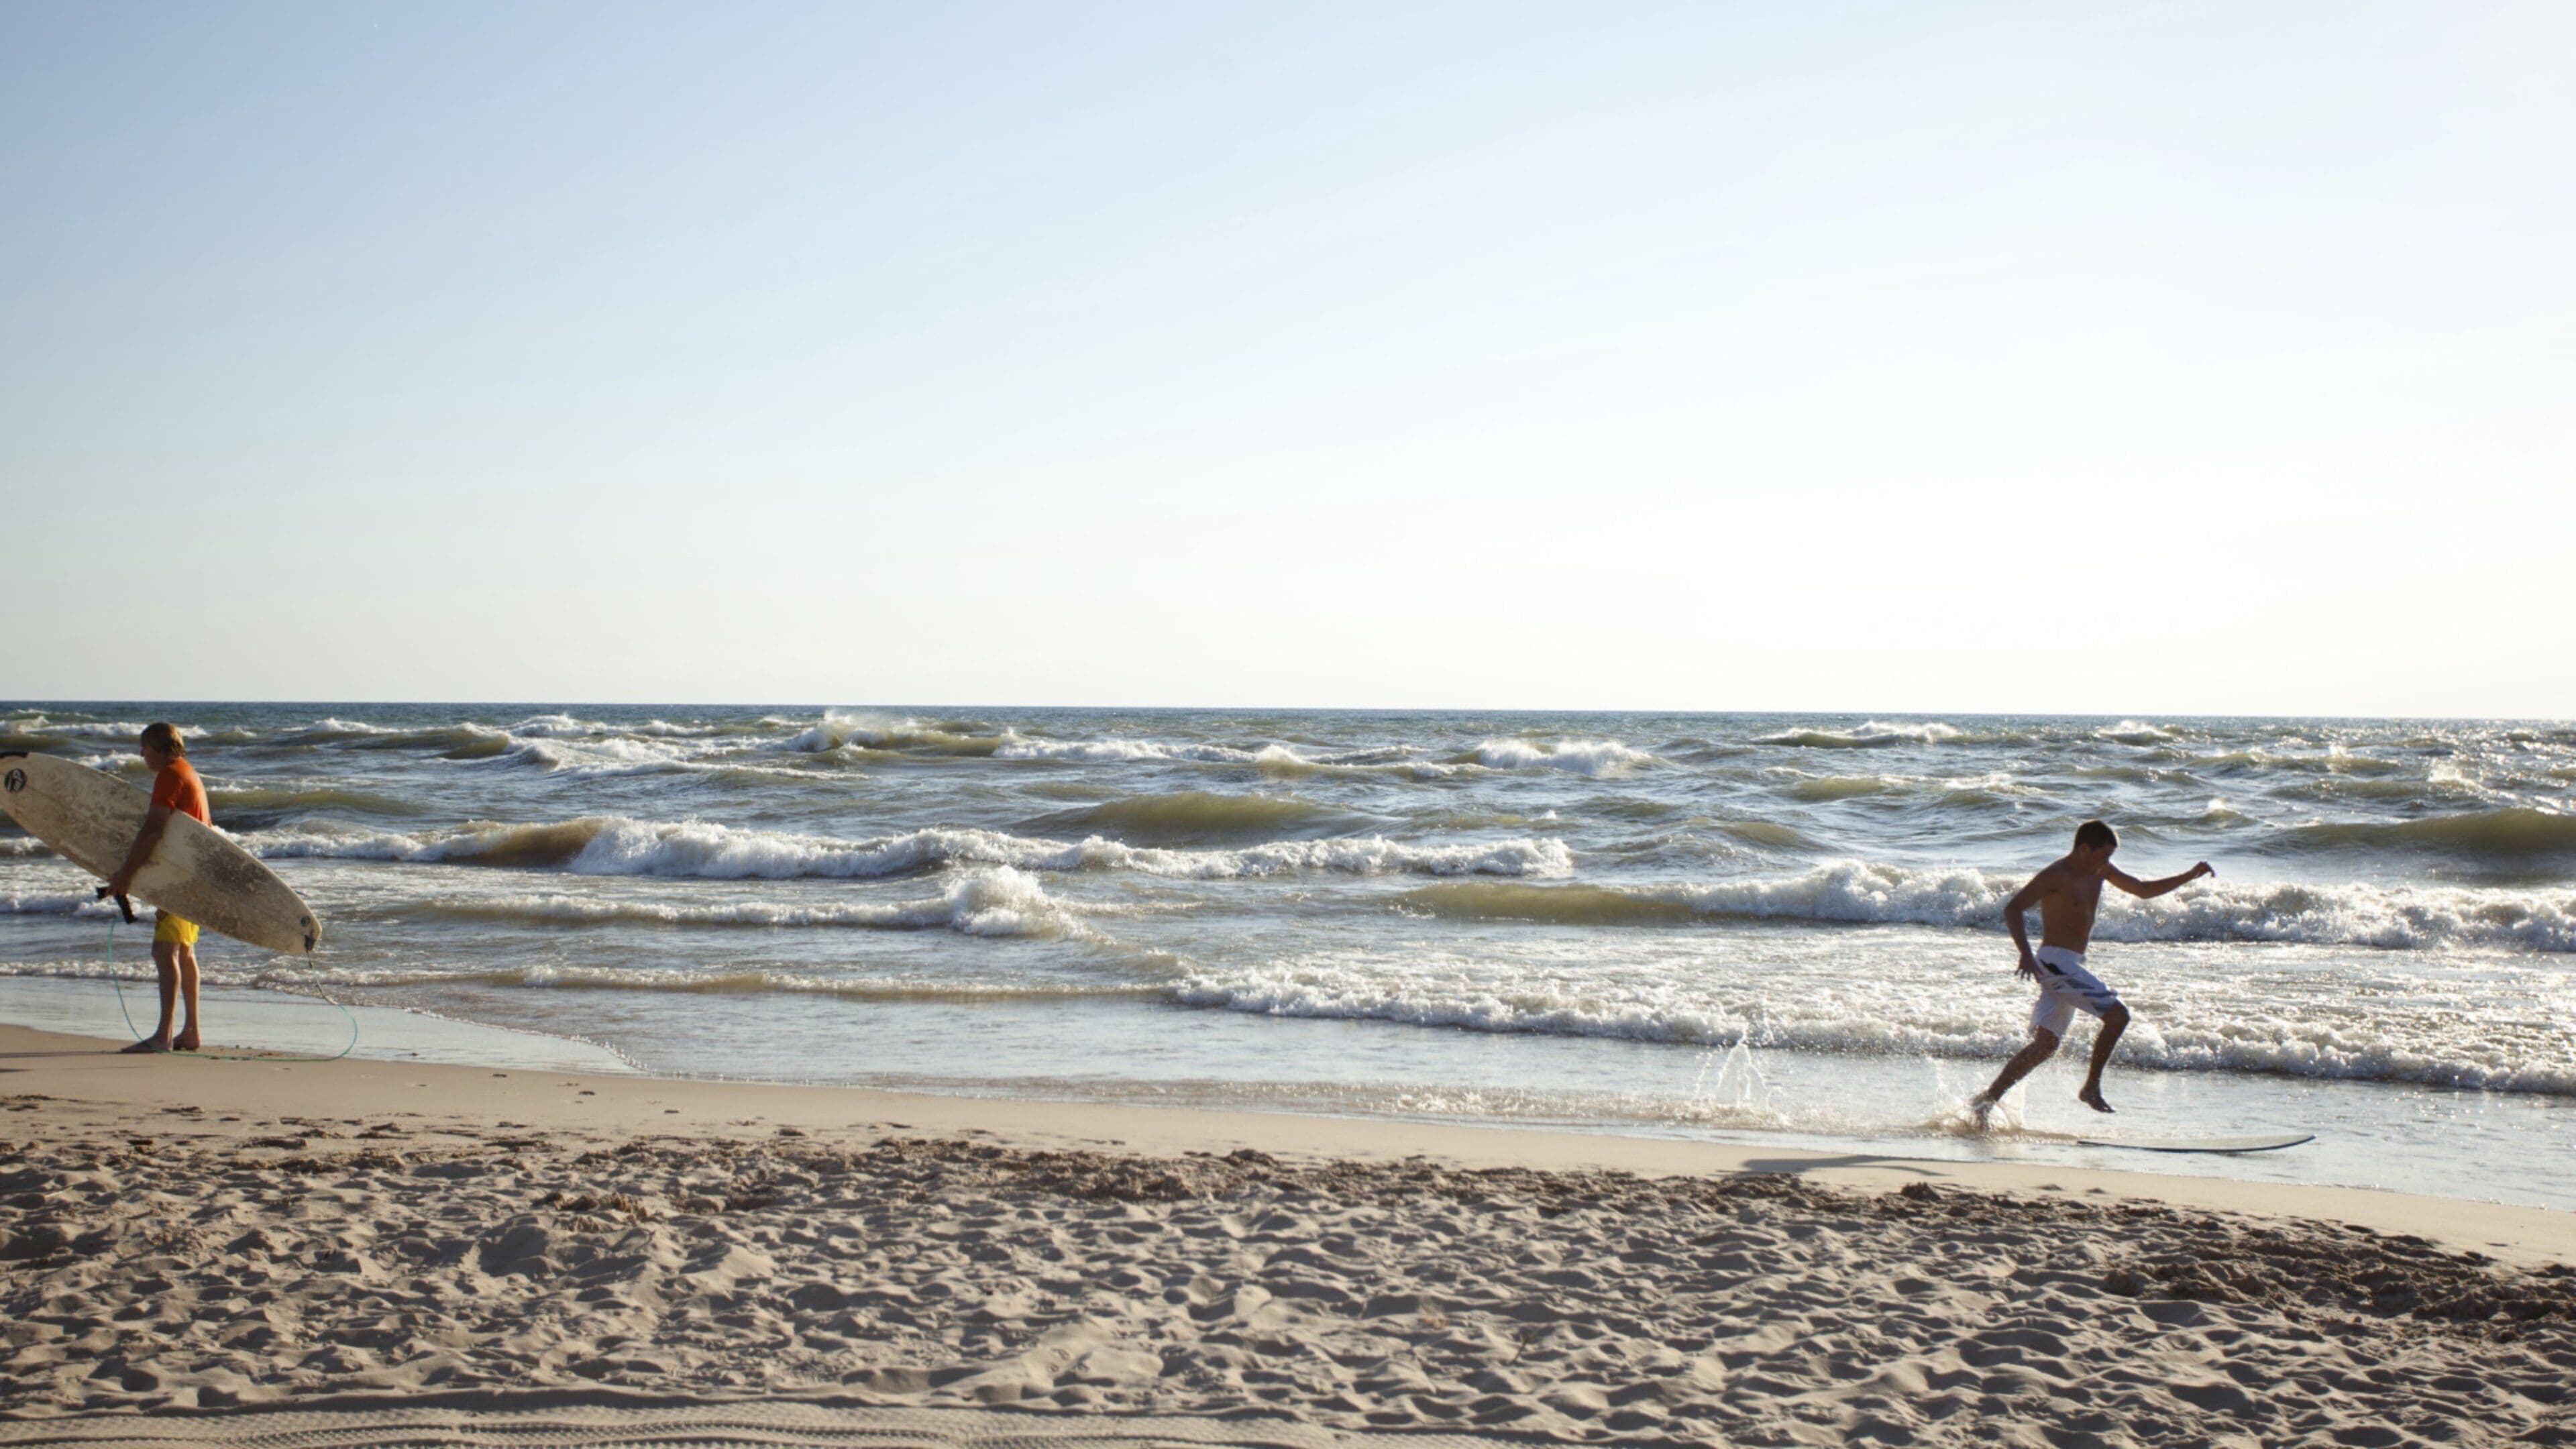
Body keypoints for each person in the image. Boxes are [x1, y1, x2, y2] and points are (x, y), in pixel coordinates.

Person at [1972, 819, 2211, 1118]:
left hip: (2070, 964)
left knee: (2045, 1046)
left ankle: (1986, 1100)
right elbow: (2013, 908)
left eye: (2110, 857)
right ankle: (2091, 1087)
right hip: (2054, 962)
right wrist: (2025, 954)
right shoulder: (2056, 875)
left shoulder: (2101, 872)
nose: (2107, 862)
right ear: (2084, 849)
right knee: (2118, 1016)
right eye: (2104, 855)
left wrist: (2189, 876)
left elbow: (2142, 890)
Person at [105, 722, 210, 1054]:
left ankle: (163, 1036)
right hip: (194, 876)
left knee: (164, 952)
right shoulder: (189, 772)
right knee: (185, 953)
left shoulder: (169, 775)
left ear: (160, 748)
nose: (141, 754)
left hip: (181, 881)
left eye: (145, 748)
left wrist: (126, 873)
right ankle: (190, 1032)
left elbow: (153, 829)